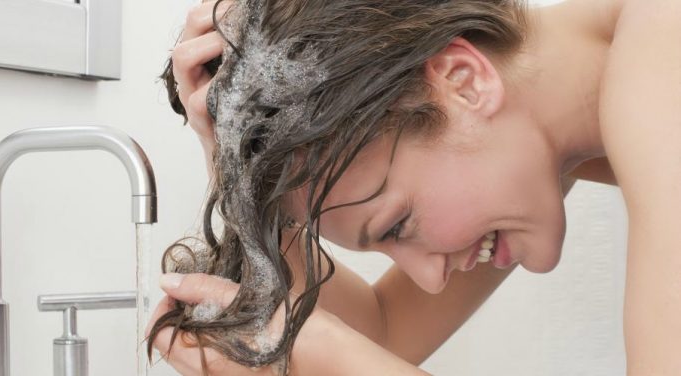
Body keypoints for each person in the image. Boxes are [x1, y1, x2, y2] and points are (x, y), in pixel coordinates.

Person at [146, 0, 681, 374]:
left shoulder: (665, 47)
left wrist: (317, 349)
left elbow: (352, 350)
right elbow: (382, 333)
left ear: (463, 82)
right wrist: (233, 158)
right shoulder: (571, 115)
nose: (428, 280)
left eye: (399, 226)